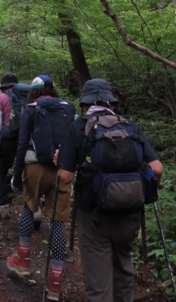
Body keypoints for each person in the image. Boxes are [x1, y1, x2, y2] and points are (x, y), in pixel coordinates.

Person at [57, 78, 164, 302]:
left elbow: (65, 177)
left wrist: (59, 162)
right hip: (130, 212)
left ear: (85, 104)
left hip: (94, 214)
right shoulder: (130, 126)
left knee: (99, 281)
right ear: (111, 103)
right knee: (123, 267)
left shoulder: (78, 127)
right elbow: (157, 169)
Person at [7, 75, 75, 301]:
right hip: (62, 169)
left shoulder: (31, 109)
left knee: (29, 207)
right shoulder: (68, 109)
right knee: (58, 221)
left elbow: (22, 143)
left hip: (35, 167)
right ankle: (55, 282)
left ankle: (23, 261)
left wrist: (16, 175)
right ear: (52, 89)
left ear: (33, 91)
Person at [0, 72, 20, 218]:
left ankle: (3, 206)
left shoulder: (1, 97)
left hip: (7, 139)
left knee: (2, 171)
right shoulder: (24, 97)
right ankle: (33, 207)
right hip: (22, 139)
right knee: (22, 170)